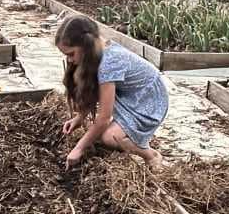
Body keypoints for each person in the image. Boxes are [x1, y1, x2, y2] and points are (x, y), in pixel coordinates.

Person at [55, 14, 168, 170]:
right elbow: (96, 91)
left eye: (71, 54)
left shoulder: (109, 64)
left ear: (86, 45)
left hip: (148, 99)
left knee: (110, 137)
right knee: (101, 135)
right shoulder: (98, 51)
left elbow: (104, 118)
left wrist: (78, 149)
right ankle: (131, 136)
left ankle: (151, 155)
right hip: (132, 96)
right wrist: (80, 117)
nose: (69, 60)